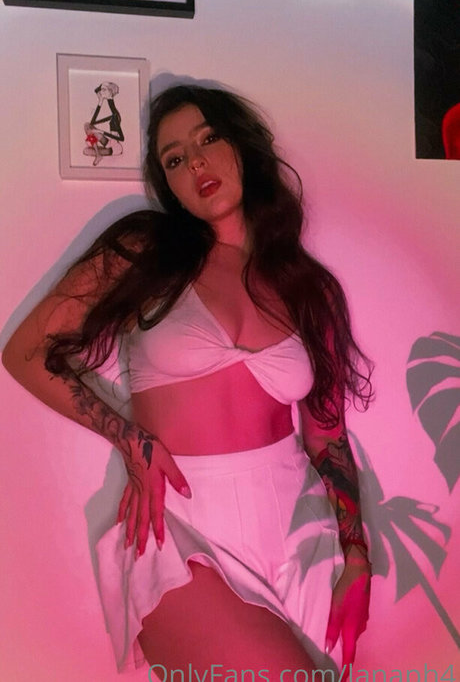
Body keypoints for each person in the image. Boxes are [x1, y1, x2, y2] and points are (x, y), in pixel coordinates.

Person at [2, 84, 373, 676]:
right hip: (179, 528)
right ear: (167, 184)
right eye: (174, 159)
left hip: (300, 533)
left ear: (243, 146)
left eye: (208, 139)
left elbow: (327, 437)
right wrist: (129, 439)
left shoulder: (309, 288)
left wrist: (357, 558)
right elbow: (26, 352)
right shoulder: (144, 252)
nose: (196, 163)